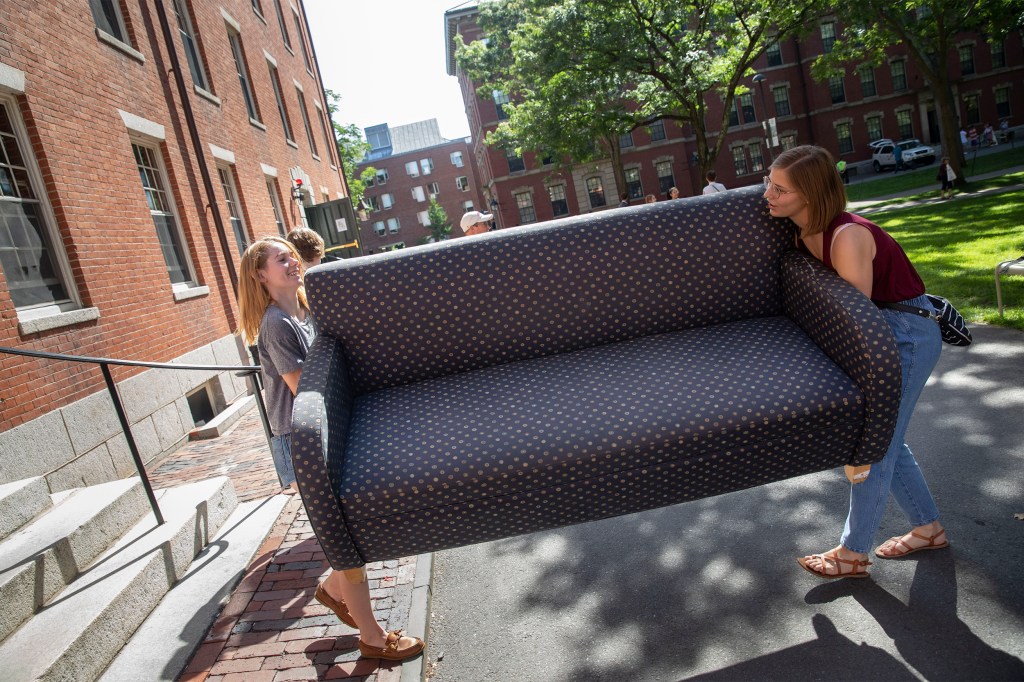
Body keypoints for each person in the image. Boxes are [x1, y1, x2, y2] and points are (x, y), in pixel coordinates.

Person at [762, 146, 947, 580]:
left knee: (875, 445)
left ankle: (853, 551)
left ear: (809, 194)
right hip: (883, 334)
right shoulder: (798, 228)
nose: (767, 194)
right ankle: (929, 528)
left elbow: (858, 328)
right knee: (890, 441)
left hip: (903, 335)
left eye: (779, 188)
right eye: (768, 181)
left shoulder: (846, 236)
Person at [236, 237, 425, 661]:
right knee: (345, 535)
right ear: (260, 274)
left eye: (292, 256)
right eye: (281, 259)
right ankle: (372, 638)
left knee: (353, 530)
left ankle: (334, 589)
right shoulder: (277, 325)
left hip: (327, 429)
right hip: (304, 441)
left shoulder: (305, 309)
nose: (292, 262)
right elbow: (304, 389)